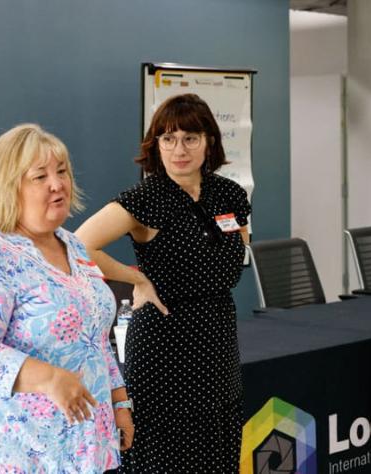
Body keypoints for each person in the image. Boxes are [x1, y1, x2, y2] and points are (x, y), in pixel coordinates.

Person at [76, 93, 251, 473]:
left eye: (190, 138)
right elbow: (79, 245)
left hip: (218, 340)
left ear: (210, 142)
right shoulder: (147, 198)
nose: (179, 149)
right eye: (168, 139)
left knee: (219, 455)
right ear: (156, 145)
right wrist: (135, 278)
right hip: (165, 348)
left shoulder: (229, 194)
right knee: (167, 459)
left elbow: (240, 244)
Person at [0, 124, 134, 473]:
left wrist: (119, 402)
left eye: (62, 172)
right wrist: (47, 378)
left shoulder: (74, 244)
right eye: (40, 176)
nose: (57, 184)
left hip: (89, 445)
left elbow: (95, 339)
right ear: (10, 187)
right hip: (21, 451)